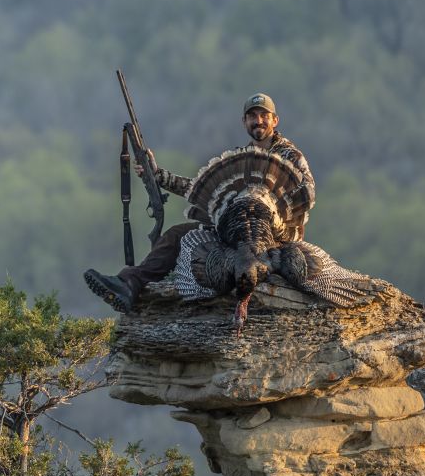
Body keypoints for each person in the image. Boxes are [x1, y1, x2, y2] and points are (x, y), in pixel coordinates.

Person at [83, 92, 314, 313]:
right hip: (233, 235)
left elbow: (307, 195)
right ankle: (128, 284)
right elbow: (203, 191)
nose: (258, 121)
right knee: (176, 235)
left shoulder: (291, 156)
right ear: (244, 121)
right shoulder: (241, 154)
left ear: (275, 120)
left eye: (264, 115)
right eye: (252, 116)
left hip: (273, 239)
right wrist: (158, 175)